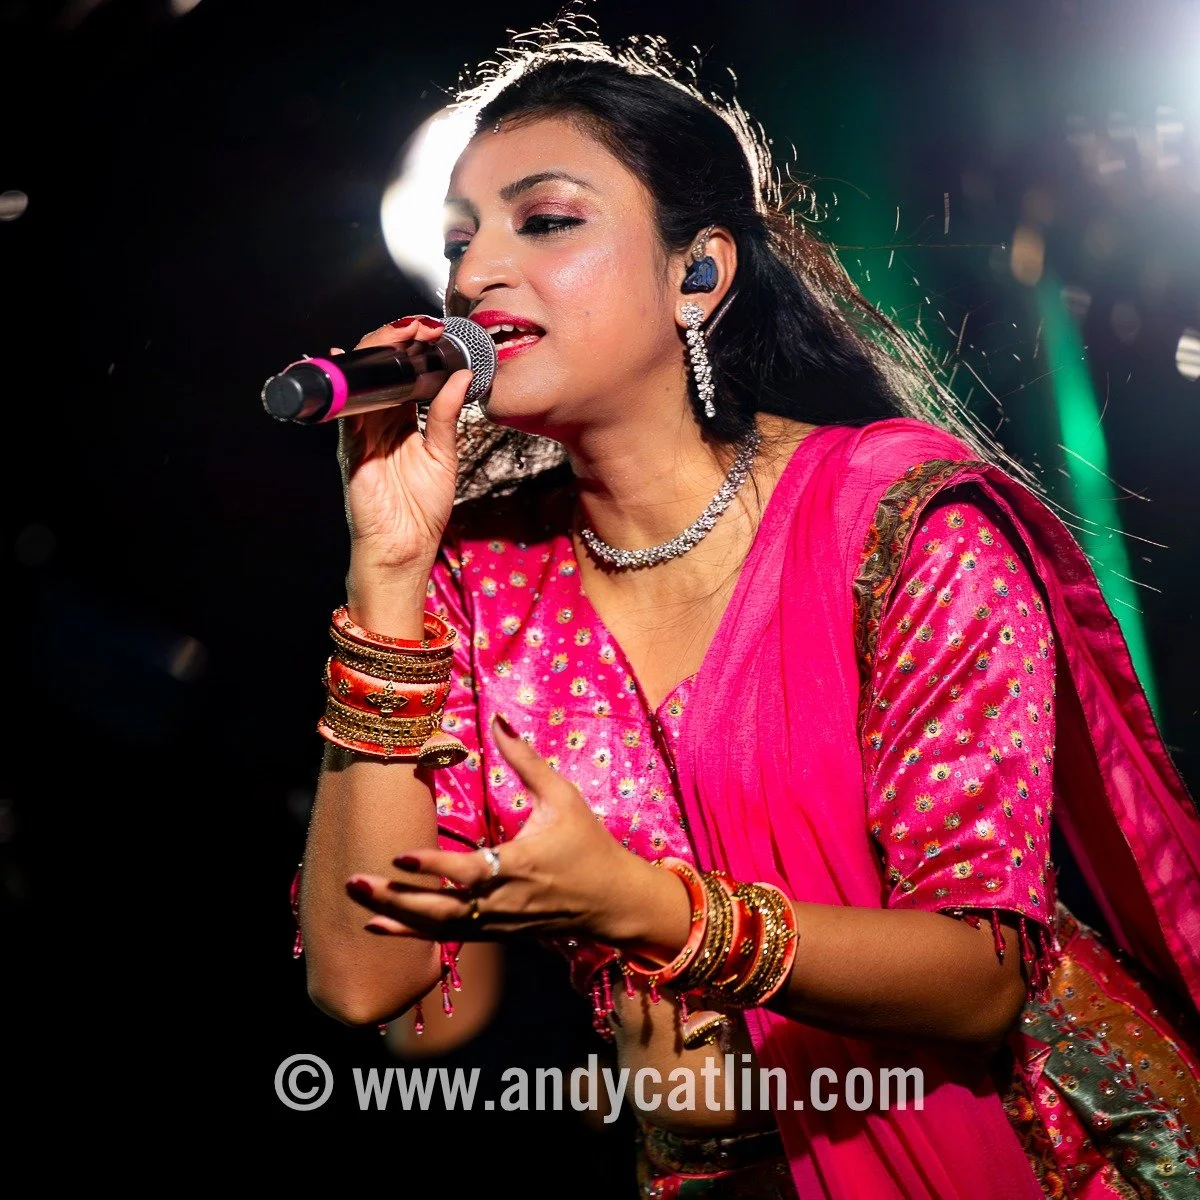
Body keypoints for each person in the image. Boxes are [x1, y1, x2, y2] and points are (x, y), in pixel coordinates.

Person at [288, 24, 1200, 1199]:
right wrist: (386, 568)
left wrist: (648, 911)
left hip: (1035, 1155)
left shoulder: (898, 522)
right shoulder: (481, 581)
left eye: (545, 221)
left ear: (698, 274)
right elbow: (364, 980)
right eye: (459, 242)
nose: (473, 279)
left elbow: (982, 977)